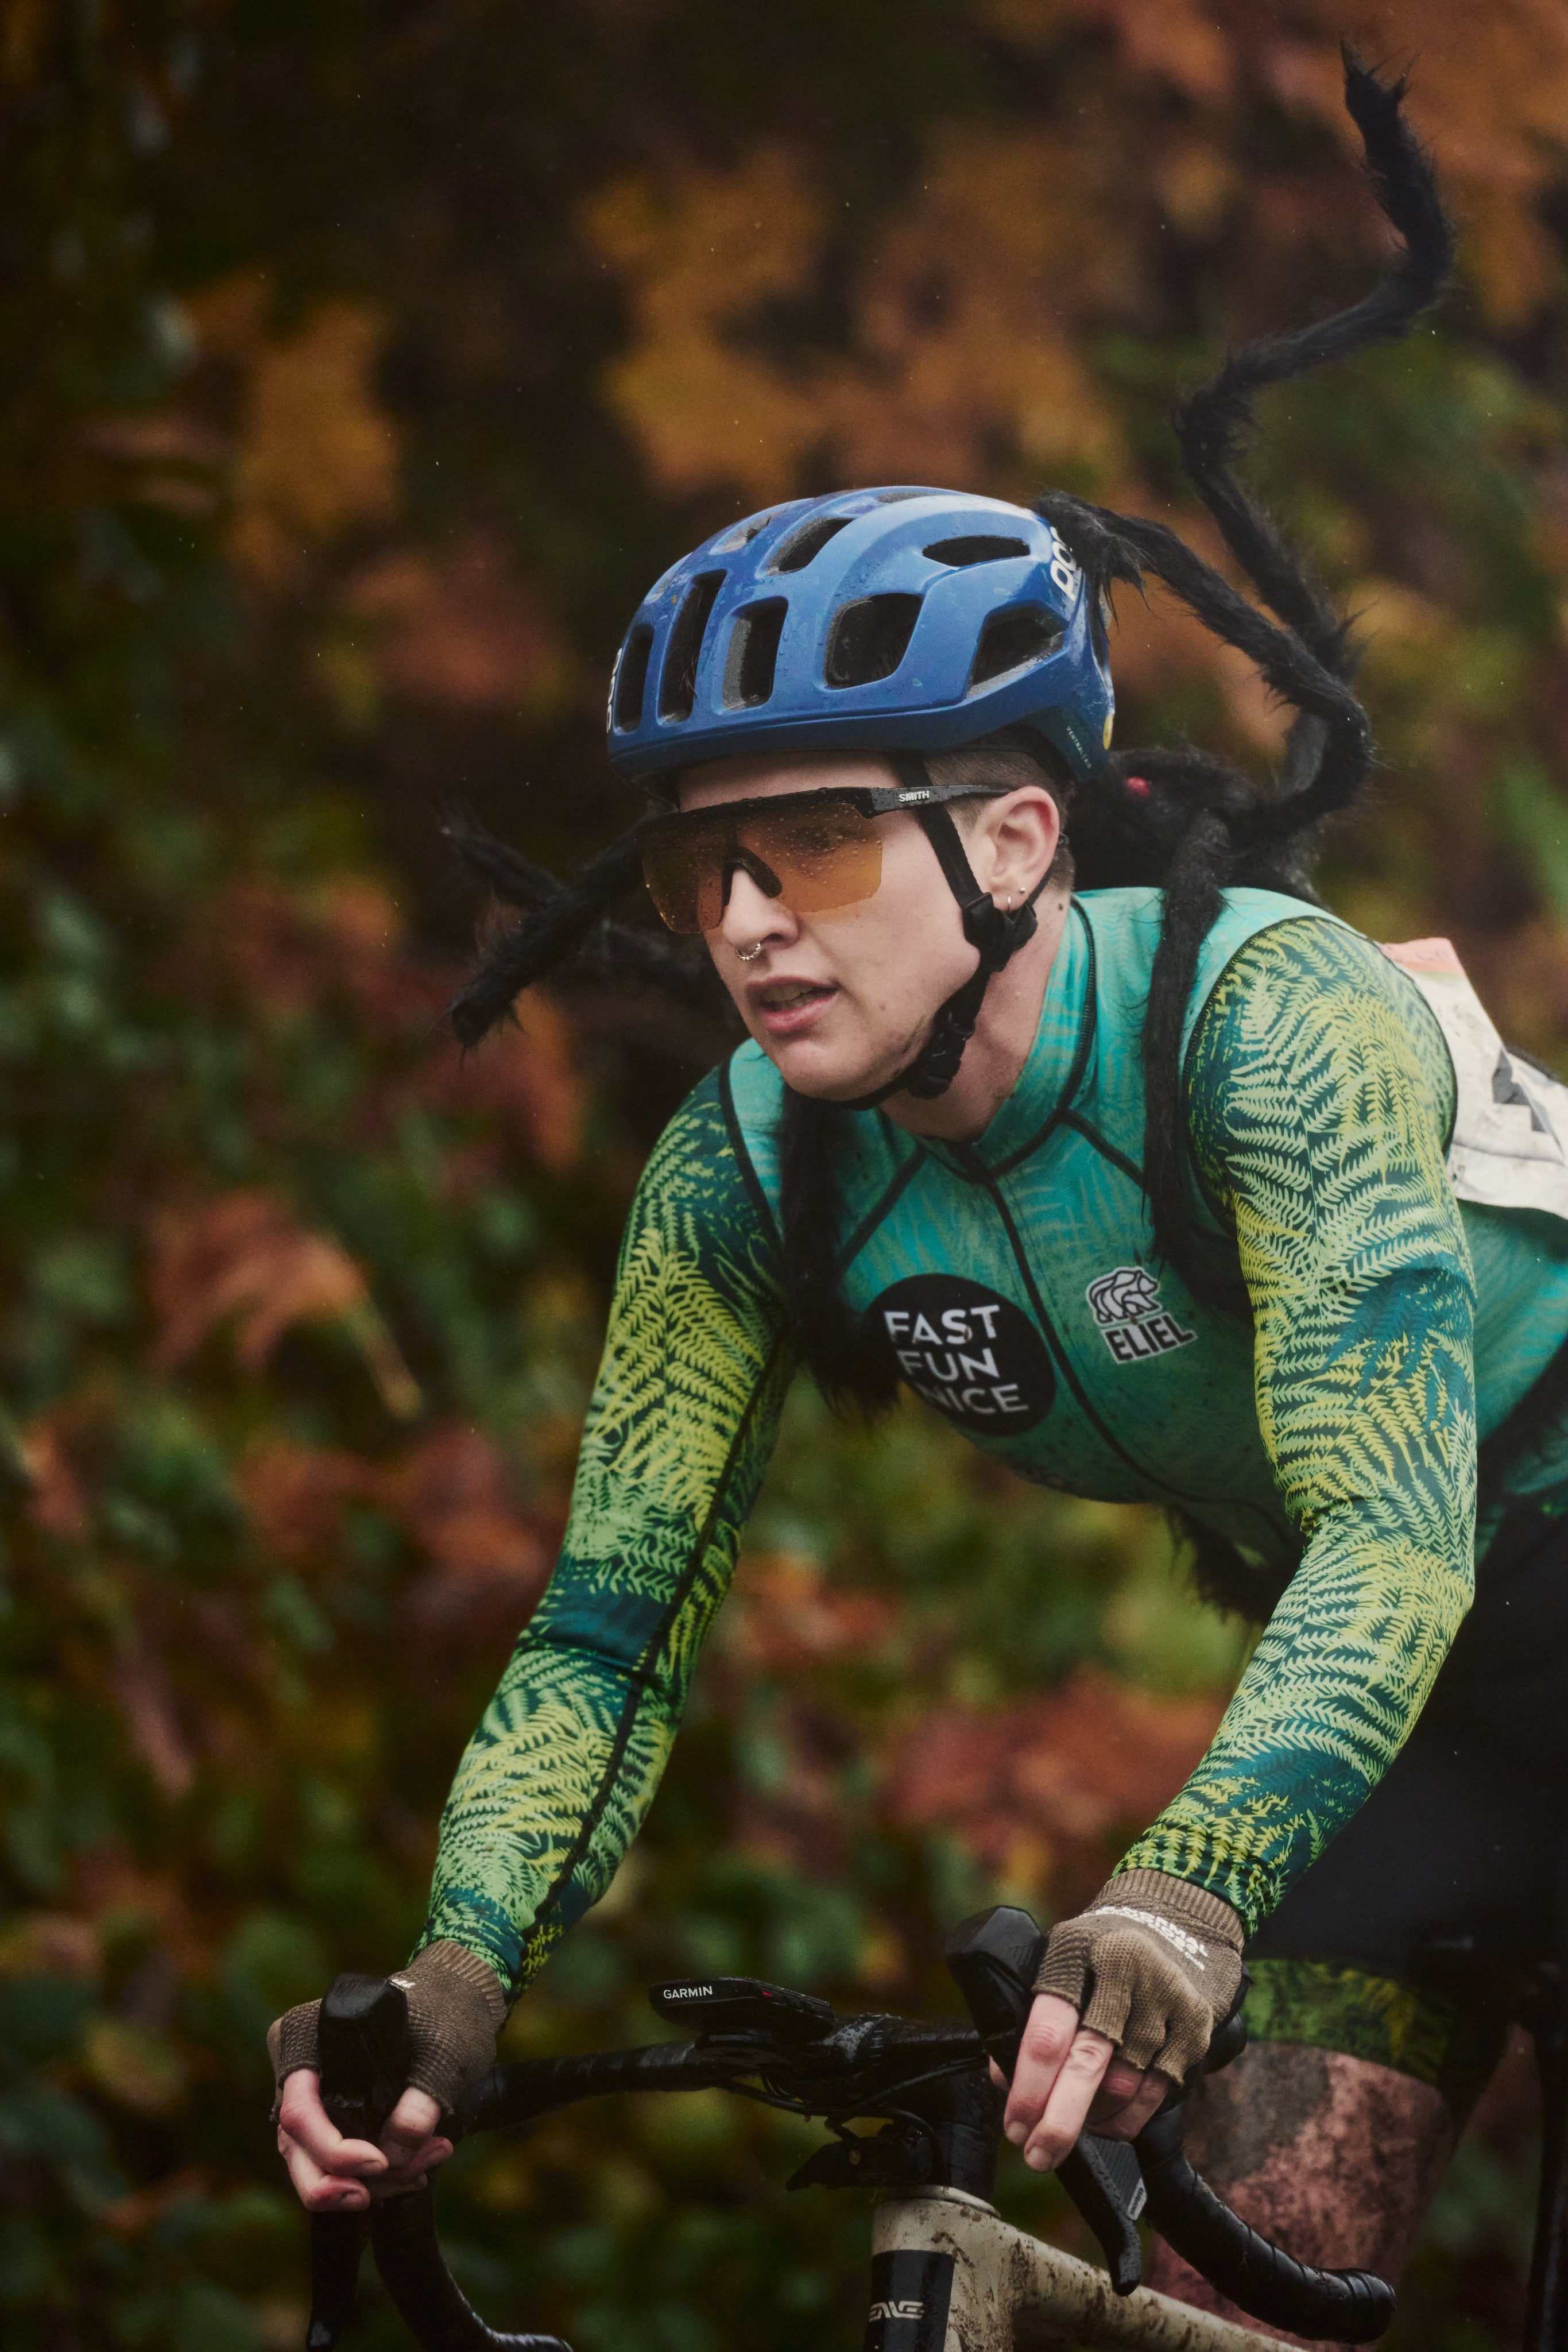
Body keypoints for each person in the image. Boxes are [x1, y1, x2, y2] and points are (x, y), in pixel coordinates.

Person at [269, 59, 1568, 2330]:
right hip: (1447, 1707)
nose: (748, 922)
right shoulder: (749, 1169)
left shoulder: (1267, 1026)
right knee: (1225, 2311)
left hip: (1453, 1564)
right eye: (701, 865)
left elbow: (1386, 1531)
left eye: (820, 844)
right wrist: (453, 1979)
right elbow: (611, 1633)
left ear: (1016, 840)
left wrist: (1177, 1884)